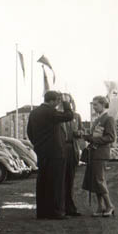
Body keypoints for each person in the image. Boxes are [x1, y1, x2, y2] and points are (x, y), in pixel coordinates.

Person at [26, 90, 74, 219]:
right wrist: (66, 103)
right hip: (55, 152)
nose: (58, 104)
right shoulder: (51, 112)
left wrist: (38, 144)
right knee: (57, 182)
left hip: (41, 151)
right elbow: (69, 116)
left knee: (43, 181)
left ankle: (42, 212)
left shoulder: (34, 113)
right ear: (53, 101)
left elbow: (29, 132)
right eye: (58, 101)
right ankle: (57, 212)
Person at [82, 95, 116, 217]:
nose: (94, 107)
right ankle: (100, 206)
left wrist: (94, 139)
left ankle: (109, 206)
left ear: (103, 104)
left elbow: (111, 137)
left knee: (99, 180)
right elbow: (94, 136)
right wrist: (86, 136)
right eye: (93, 105)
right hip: (93, 153)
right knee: (95, 180)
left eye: (96, 104)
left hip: (101, 153)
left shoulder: (108, 119)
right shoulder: (97, 119)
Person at [61, 97, 84, 216]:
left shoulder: (76, 116)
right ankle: (61, 207)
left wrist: (79, 133)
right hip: (61, 149)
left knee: (70, 180)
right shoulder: (58, 116)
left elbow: (82, 130)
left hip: (72, 149)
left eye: (69, 101)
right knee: (61, 180)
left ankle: (70, 207)